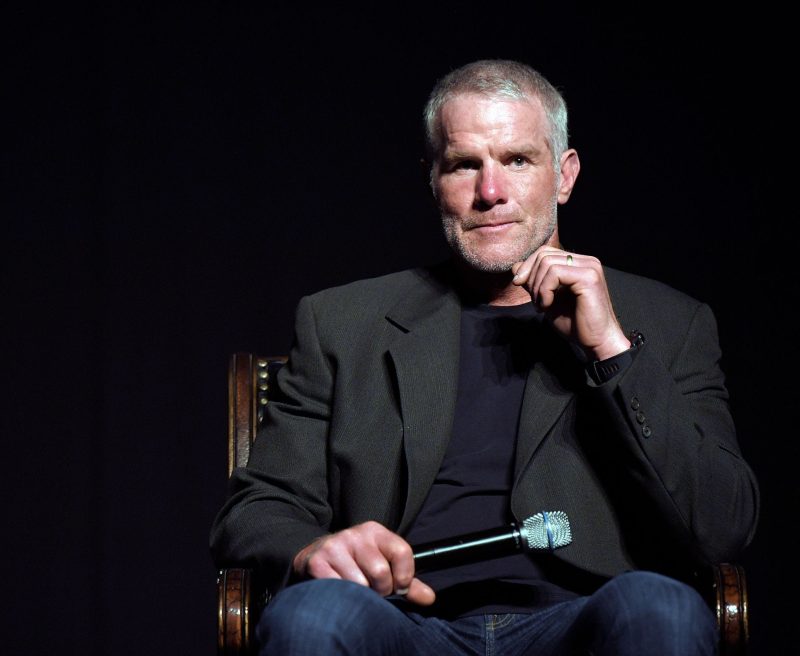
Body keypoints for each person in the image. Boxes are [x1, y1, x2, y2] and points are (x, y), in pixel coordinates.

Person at [210, 59, 759, 655]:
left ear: (564, 175)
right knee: (311, 615)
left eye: (517, 160)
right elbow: (258, 509)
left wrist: (610, 350)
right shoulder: (341, 323)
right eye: (464, 165)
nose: (490, 192)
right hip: (399, 623)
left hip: (585, 621)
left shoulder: (670, 322)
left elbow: (722, 526)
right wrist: (312, 549)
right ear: (432, 179)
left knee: (662, 607)